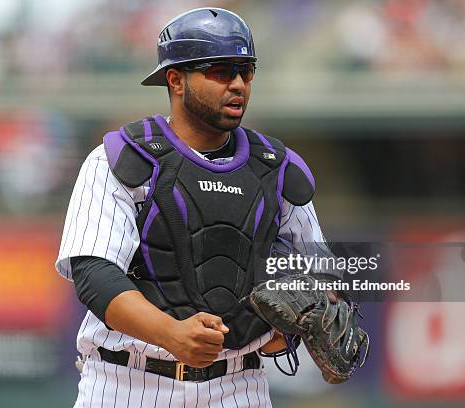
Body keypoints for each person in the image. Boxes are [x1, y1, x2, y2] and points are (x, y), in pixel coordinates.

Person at [56, 7, 341, 407]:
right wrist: (170, 333)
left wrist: (294, 325)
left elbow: (317, 271)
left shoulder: (277, 169)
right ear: (175, 80)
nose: (238, 84)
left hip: (239, 386)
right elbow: (94, 274)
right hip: (127, 382)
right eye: (221, 71)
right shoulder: (123, 159)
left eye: (246, 71)